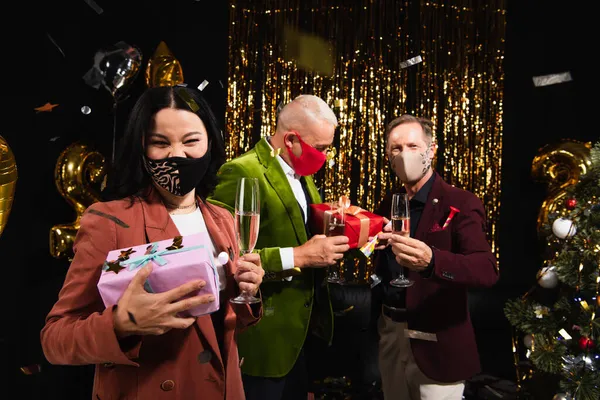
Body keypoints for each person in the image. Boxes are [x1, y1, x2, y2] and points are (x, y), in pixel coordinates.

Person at [40, 86, 265, 400]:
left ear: (210, 143)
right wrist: (121, 323)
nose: (178, 154)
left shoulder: (224, 219)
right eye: (161, 143)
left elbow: (217, 327)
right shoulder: (110, 221)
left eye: (191, 141)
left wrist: (249, 293)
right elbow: (55, 339)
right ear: (142, 149)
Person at [208, 94, 350, 400]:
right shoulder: (241, 171)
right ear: (290, 139)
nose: (325, 157)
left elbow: (297, 228)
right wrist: (299, 256)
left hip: (297, 339)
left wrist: (338, 219)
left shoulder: (300, 174)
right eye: (321, 148)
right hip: (261, 340)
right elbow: (217, 254)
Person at [372, 114, 498, 399]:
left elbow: (486, 270)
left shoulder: (461, 202)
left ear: (432, 151)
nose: (404, 155)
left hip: (437, 341)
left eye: (413, 146)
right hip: (390, 333)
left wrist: (433, 261)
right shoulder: (389, 202)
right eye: (396, 148)